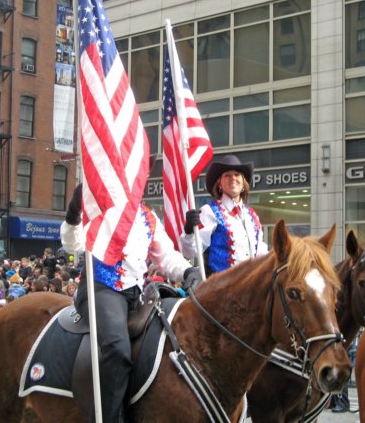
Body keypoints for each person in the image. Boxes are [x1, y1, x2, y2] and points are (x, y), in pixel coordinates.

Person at [61, 184, 201, 422]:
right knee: (117, 347)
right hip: (100, 289)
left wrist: (188, 270)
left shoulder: (148, 216)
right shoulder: (98, 210)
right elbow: (72, 245)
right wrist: (74, 213)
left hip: (137, 294)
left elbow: (166, 256)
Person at [182, 155, 268, 276]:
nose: (233, 178)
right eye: (227, 175)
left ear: (243, 183)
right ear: (219, 184)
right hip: (220, 289)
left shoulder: (252, 215)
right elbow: (190, 251)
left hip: (250, 288)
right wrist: (189, 231)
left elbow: (261, 255)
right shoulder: (209, 211)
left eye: (237, 174)